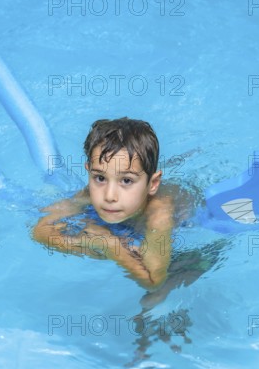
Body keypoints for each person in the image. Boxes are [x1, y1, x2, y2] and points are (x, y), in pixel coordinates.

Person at [33, 117, 181, 291]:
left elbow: (153, 282)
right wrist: (88, 245)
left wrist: (112, 247)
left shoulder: (159, 215)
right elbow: (40, 230)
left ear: (153, 184)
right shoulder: (88, 193)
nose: (109, 195)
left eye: (126, 180)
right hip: (125, 235)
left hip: (187, 233)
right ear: (89, 171)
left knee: (157, 297)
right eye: (100, 178)